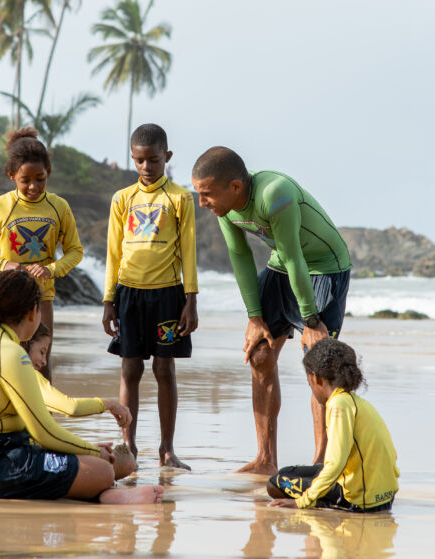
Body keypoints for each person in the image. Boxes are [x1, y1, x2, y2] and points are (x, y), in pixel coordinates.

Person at [0, 269, 162, 504]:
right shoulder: (10, 352)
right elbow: (44, 432)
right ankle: (112, 496)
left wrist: (79, 450)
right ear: (33, 312)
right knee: (102, 469)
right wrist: (93, 452)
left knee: (90, 463)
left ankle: (101, 491)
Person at [191, 147, 351, 474]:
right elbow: (240, 257)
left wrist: (311, 320)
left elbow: (295, 256)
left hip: (322, 268)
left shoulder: (274, 194)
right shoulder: (226, 211)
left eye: (206, 194)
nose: (202, 203)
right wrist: (254, 317)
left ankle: (321, 462)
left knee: (318, 363)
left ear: (235, 187)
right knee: (260, 355)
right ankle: (265, 459)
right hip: (281, 268)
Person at [102, 123, 198, 470]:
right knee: (129, 368)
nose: (147, 168)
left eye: (154, 161)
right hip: (128, 295)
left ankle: (167, 450)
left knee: (164, 369)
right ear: (132, 159)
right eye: (140, 161)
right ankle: (128, 446)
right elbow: (113, 253)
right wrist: (108, 300)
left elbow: (189, 251)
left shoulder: (180, 198)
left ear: (167, 158)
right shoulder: (122, 199)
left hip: (168, 297)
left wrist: (191, 298)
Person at [0, 127, 82, 382]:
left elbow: (75, 251)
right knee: (3, 362)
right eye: (25, 180)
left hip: (42, 296)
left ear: (48, 172)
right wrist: (1, 263)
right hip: (3, 298)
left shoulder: (59, 207)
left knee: (41, 362)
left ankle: (43, 420)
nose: (33, 186)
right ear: (11, 175)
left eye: (40, 179)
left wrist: (51, 269)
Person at [267, 339, 399, 512]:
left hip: (361, 501)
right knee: (288, 471)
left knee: (275, 483)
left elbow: (336, 464)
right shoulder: (354, 401)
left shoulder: (338, 405)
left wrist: (303, 501)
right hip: (382, 495)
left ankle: (328, 502)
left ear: (316, 378)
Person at [22, 323, 137, 479]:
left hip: (8, 455)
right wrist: (110, 404)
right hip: (17, 463)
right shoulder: (25, 372)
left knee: (102, 461)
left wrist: (84, 448)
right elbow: (71, 408)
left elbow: (42, 435)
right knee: (116, 466)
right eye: (42, 352)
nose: (44, 362)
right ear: (26, 343)